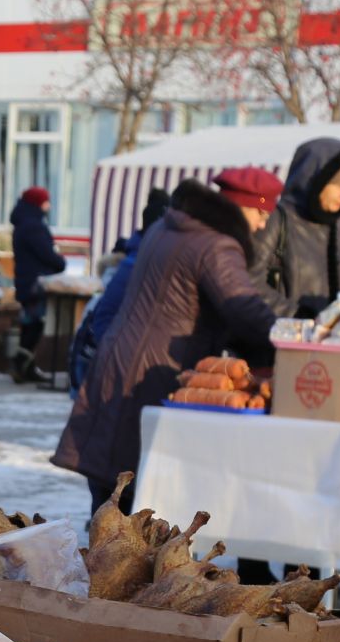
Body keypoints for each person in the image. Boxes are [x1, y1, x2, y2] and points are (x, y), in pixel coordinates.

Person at [54, 168, 283, 513]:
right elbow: (243, 307)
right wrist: (286, 335)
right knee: (140, 489)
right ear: (238, 207)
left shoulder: (170, 225)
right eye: (260, 213)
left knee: (112, 487)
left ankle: (104, 559)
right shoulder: (216, 244)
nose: (263, 225)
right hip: (157, 371)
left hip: (120, 361)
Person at [67, 189, 170, 400]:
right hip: (111, 358)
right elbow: (107, 316)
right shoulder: (139, 262)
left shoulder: (136, 256)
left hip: (107, 352)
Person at [250, 138, 340, 317]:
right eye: (339, 184)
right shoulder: (276, 218)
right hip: (282, 337)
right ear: (313, 179)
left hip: (328, 339)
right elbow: (249, 281)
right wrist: (298, 316)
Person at [8, 185, 66, 384]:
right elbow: (46, 253)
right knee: (34, 325)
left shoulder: (23, 222)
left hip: (26, 281)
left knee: (30, 324)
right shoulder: (34, 225)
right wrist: (61, 263)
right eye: (46, 201)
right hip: (36, 283)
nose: (49, 206)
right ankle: (21, 365)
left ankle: (26, 366)